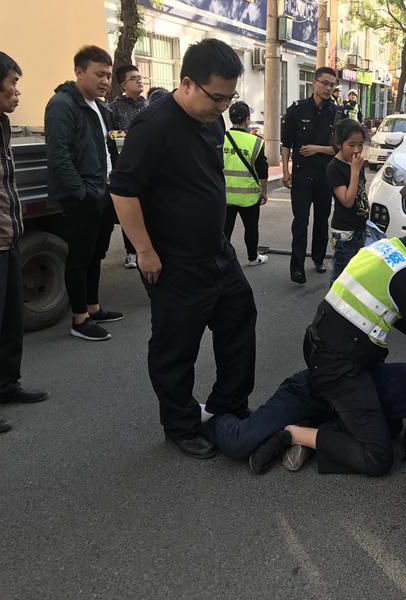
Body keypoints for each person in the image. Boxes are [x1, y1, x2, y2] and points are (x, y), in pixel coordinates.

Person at [110, 39, 256, 459]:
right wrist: (144, 251)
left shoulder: (211, 120)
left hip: (216, 253)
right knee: (176, 347)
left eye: (231, 98)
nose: (224, 107)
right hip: (173, 262)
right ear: (187, 82)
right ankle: (181, 424)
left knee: (238, 322)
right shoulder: (154, 126)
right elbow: (122, 190)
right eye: (217, 97)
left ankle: (230, 405)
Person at [252, 206, 406, 476]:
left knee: (387, 421)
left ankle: (314, 428)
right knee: (378, 458)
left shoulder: (385, 247)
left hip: (326, 348)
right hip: (343, 364)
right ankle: (294, 434)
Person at [0, 48, 49, 433]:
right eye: (13, 84)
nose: (17, 93)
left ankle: (5, 384)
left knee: (8, 320)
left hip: (7, 238)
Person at [201, 362, 406, 480]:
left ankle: (303, 435)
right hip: (309, 393)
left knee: (390, 430)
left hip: (343, 411)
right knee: (238, 443)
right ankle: (211, 415)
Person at [44, 45, 123, 342]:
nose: (105, 81)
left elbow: (105, 149)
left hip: (102, 190)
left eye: (108, 75)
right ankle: (80, 318)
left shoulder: (100, 107)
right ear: (79, 72)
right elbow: (59, 155)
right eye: (99, 74)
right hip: (82, 196)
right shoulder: (63, 104)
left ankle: (93, 307)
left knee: (95, 254)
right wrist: (81, 192)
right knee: (78, 257)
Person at [281, 66, 345, 284]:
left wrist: (318, 149)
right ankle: (296, 268)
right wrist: (284, 170)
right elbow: (286, 143)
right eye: (325, 83)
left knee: (321, 220)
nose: (328, 88)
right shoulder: (297, 110)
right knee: (300, 222)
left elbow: (340, 148)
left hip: (325, 177)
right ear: (314, 83)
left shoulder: (338, 114)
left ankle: (318, 259)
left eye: (332, 84)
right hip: (300, 176)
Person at [109, 64, 149, 270]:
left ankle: (149, 247)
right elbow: (111, 136)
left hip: (149, 164)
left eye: (140, 77)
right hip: (127, 165)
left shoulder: (147, 104)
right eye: (134, 78)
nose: (140, 80)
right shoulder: (114, 107)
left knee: (149, 207)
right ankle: (131, 252)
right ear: (124, 84)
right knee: (129, 209)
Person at [223, 100, 269, 266]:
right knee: (251, 228)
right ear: (247, 119)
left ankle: (223, 259)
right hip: (248, 197)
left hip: (226, 196)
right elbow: (263, 171)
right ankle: (252, 257)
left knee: (225, 230)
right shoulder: (255, 142)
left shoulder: (222, 139)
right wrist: (264, 192)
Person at [326, 118, 370, 284]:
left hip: (360, 228)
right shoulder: (334, 167)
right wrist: (354, 172)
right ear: (339, 143)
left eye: (360, 144)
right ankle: (332, 308)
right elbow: (347, 200)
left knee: (356, 276)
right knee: (341, 277)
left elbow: (361, 194)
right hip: (345, 232)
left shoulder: (355, 164)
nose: (357, 150)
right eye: (351, 145)